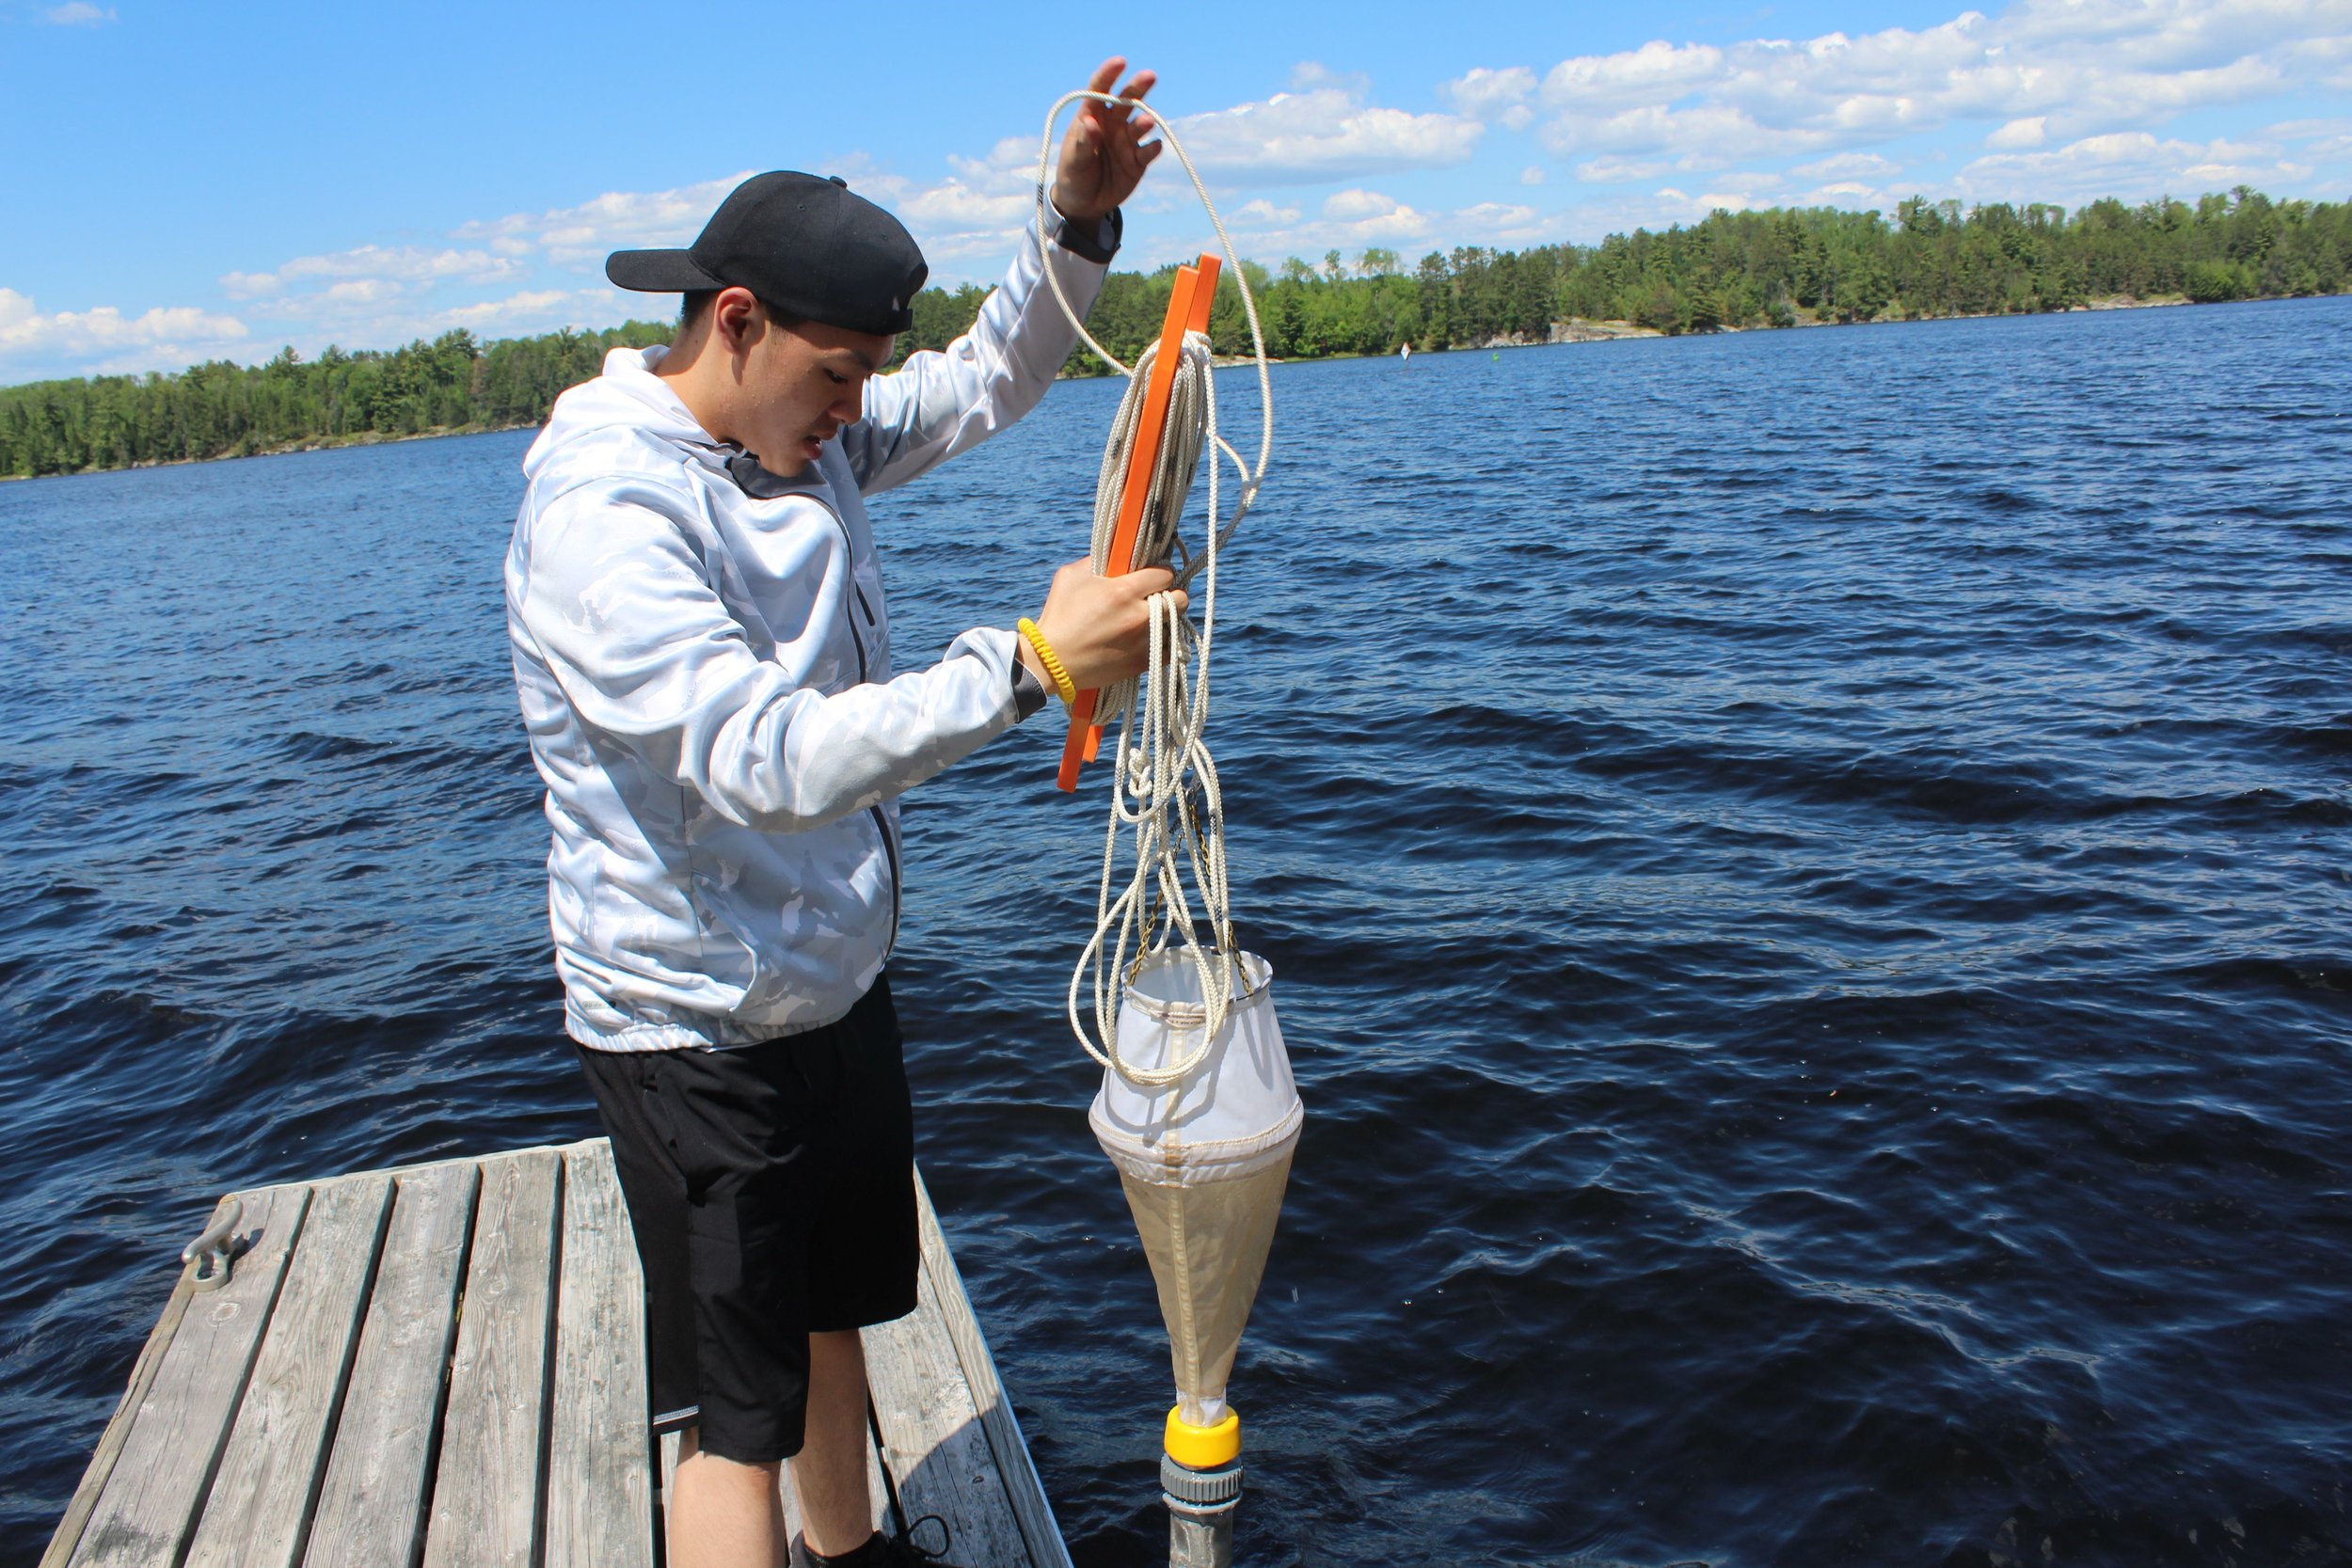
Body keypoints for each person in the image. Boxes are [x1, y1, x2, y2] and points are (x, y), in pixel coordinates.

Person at [504, 58, 1171, 1568]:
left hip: (830, 985)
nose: (859, 407)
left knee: (834, 1311)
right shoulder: (605, 513)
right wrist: (1031, 666)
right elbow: (757, 756)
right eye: (835, 374)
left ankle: (856, 1556)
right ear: (735, 320)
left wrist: (1073, 224)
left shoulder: (800, 431)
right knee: (728, 1421)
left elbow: (994, 378)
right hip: (694, 1031)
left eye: (867, 378)